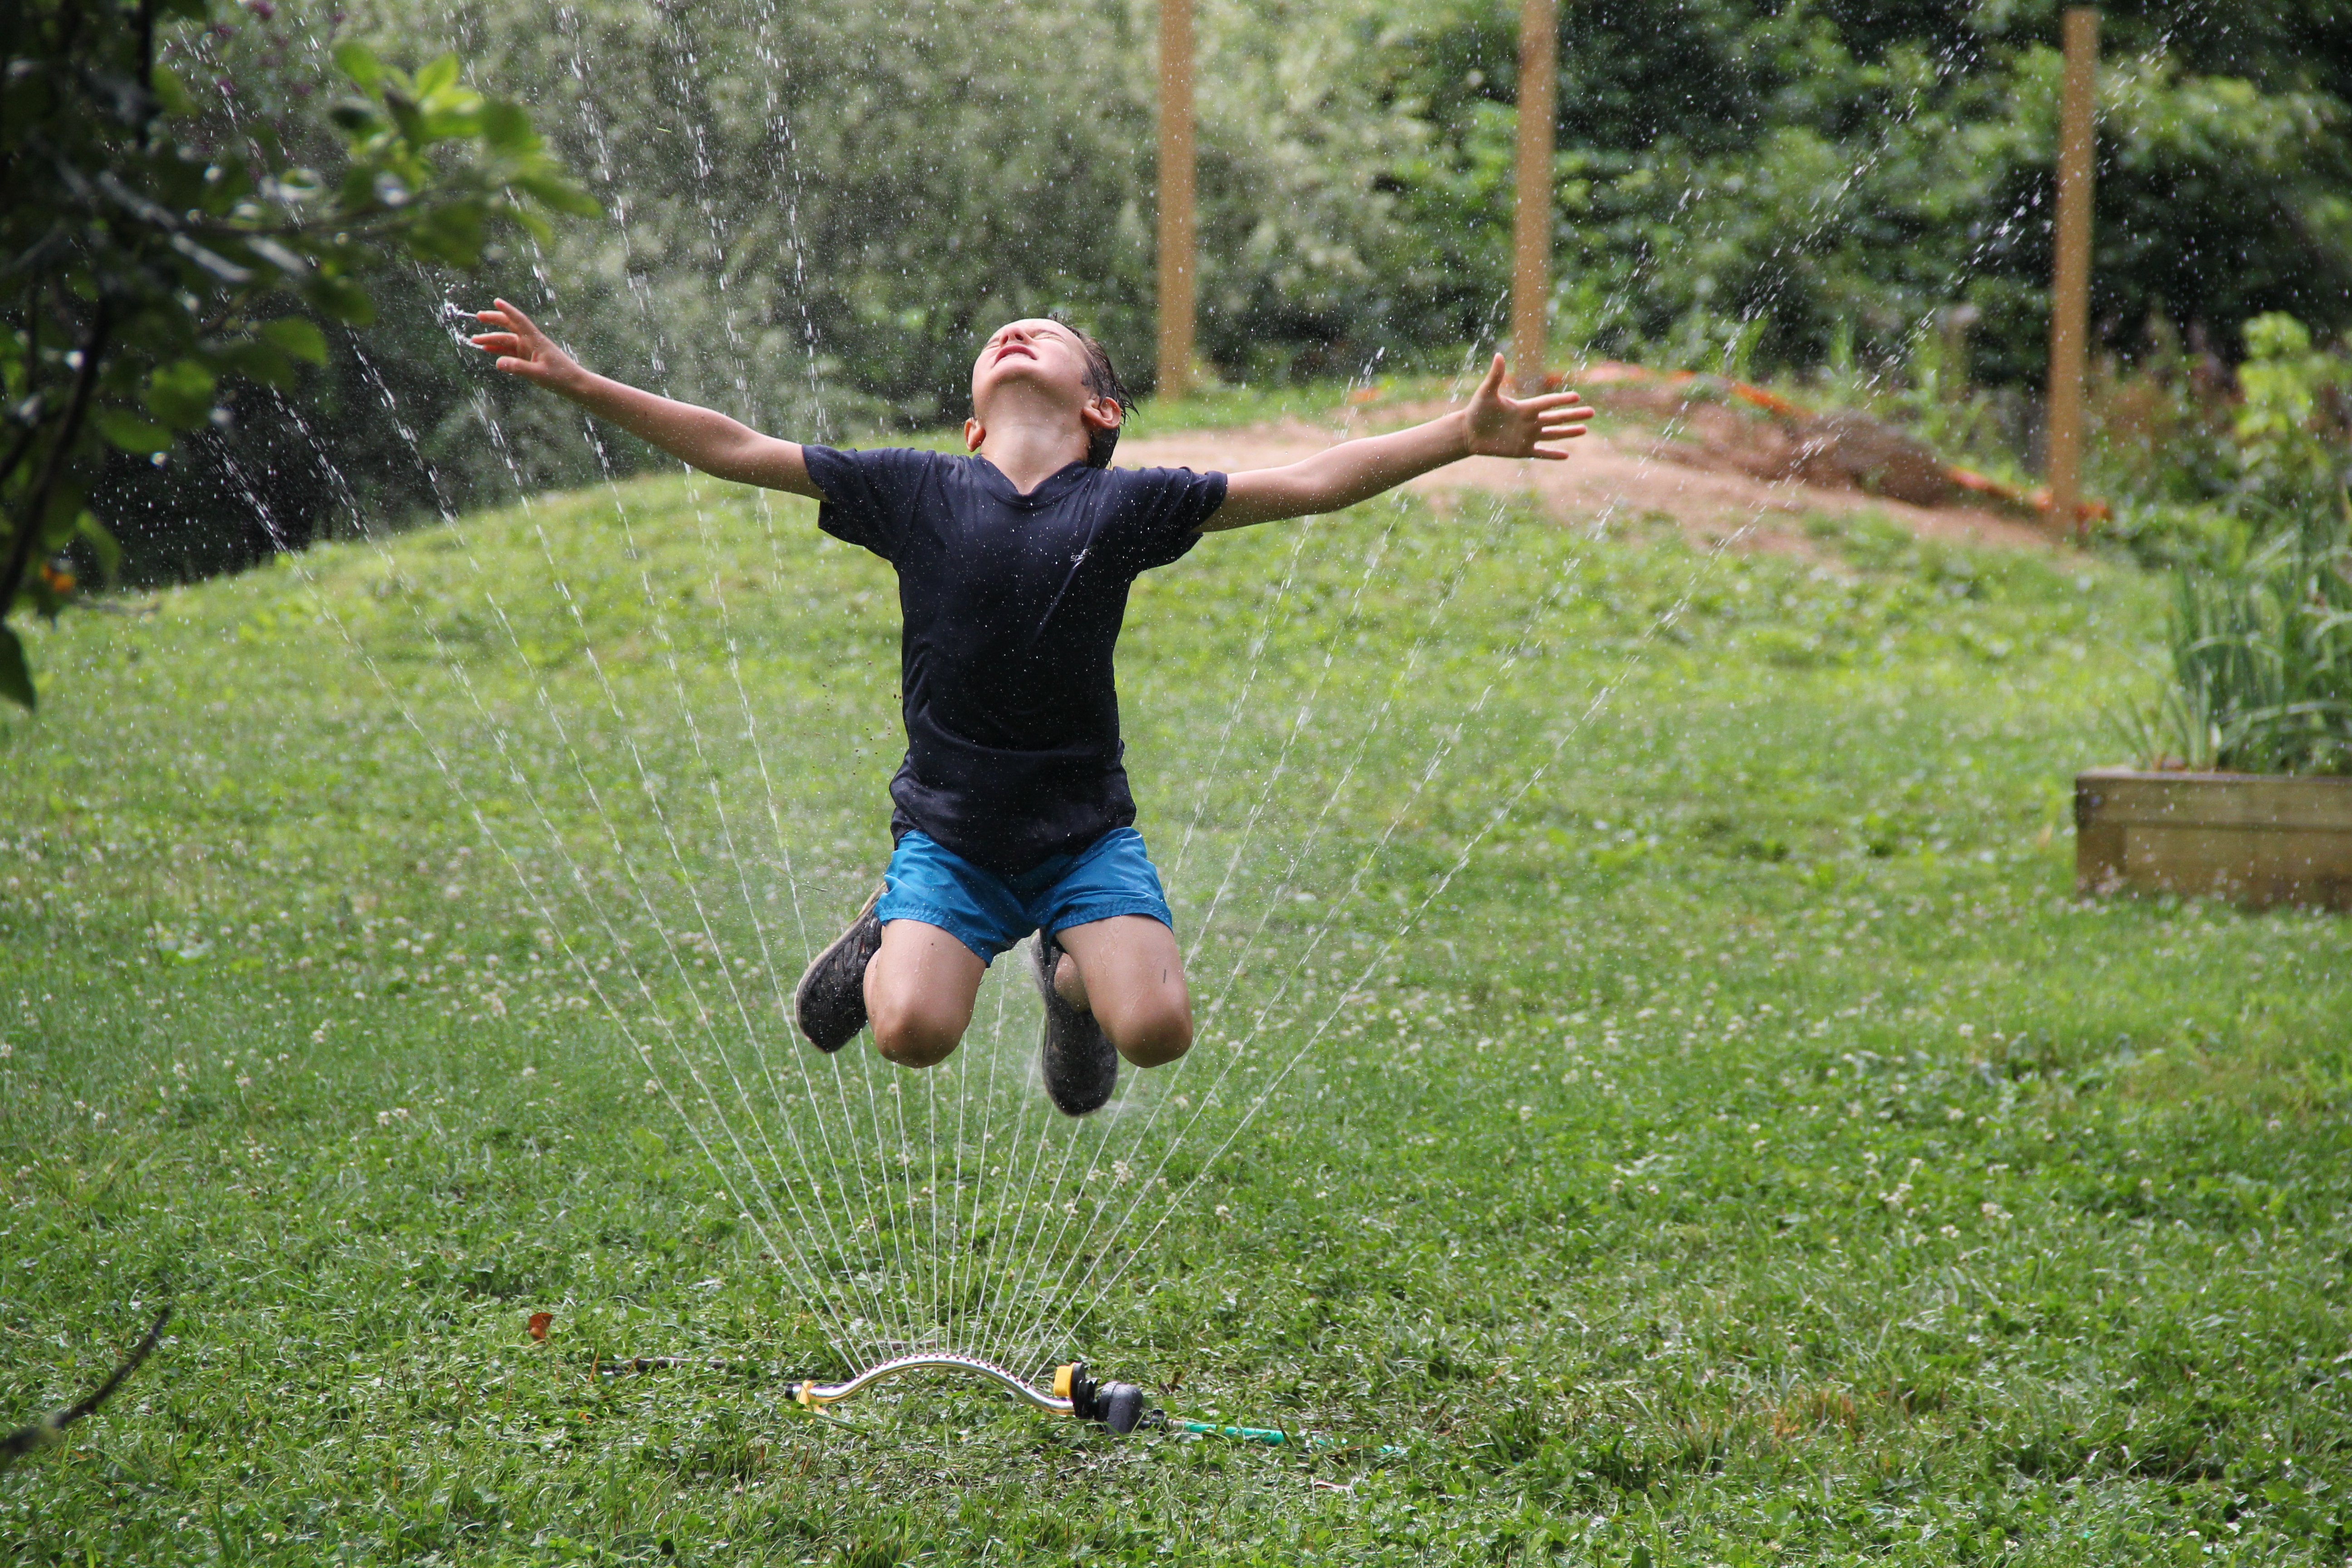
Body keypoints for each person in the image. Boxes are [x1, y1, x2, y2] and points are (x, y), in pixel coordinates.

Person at [467, 301, 1592, 1114]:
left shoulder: (1129, 504)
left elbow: (1306, 483)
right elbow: (738, 448)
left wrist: (1458, 436)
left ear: (1101, 407)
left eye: (1049, 335)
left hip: (1082, 836)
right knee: (909, 1033)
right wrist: (581, 382)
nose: (1018, 332)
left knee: (1154, 1033)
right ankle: (889, 933)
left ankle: (1072, 987)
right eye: (1001, 335)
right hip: (951, 833)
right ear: (968, 420)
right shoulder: (912, 488)